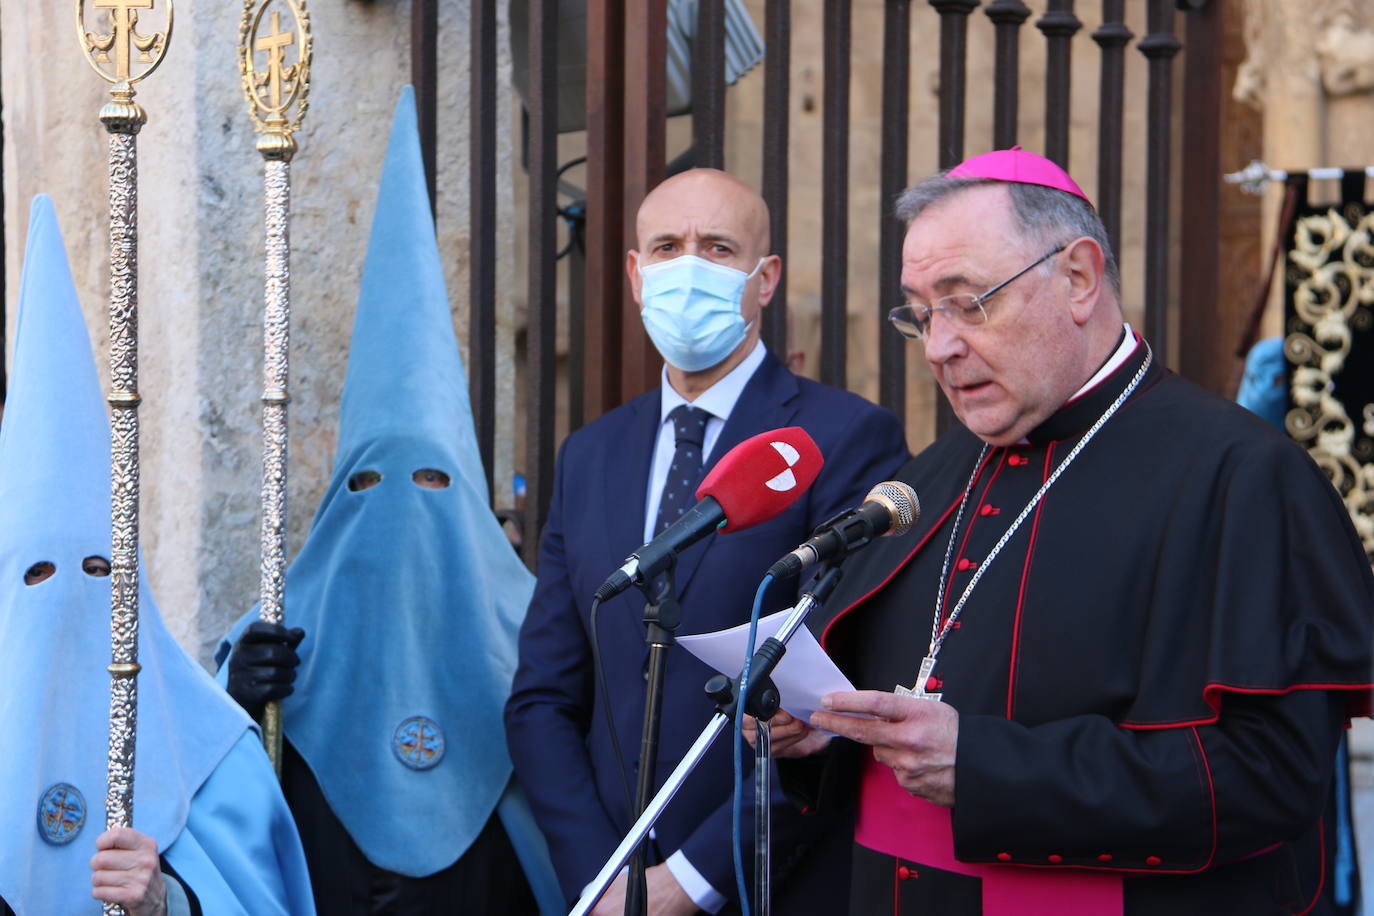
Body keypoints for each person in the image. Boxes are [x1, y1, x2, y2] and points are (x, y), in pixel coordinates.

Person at [754, 148, 1374, 915]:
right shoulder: (933, 474)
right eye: (922, 312)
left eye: (969, 301)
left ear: (1078, 278)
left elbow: (1271, 776)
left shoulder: (1243, 476)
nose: (941, 346)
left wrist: (983, 767)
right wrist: (823, 731)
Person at [504, 167, 910, 914]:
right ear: (633, 274)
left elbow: (845, 694)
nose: (687, 266)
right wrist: (605, 881)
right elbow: (543, 699)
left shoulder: (844, 439)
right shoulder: (589, 455)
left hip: (768, 885)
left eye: (718, 248)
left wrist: (690, 882)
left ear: (766, 279)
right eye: (665, 246)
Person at [216, 87, 562, 914]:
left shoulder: (538, 634)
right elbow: (210, 805)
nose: (404, 508)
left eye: (436, 484)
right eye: (369, 485)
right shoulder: (279, 629)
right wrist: (236, 702)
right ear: (339, 500)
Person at [0, 195, 314, 915]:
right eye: (37, 574)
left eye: (100, 571)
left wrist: (170, 902)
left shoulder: (215, 755)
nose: (70, 594)